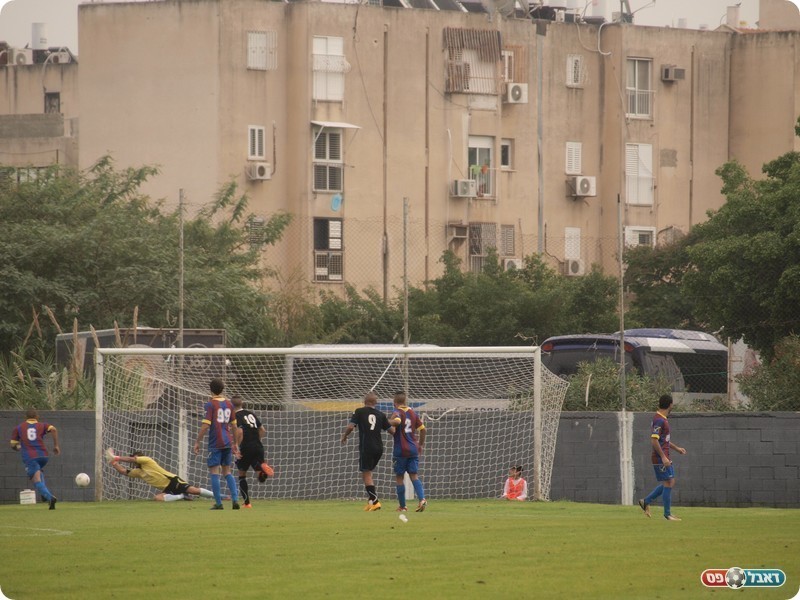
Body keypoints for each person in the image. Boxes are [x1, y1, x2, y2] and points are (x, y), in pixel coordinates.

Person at [341, 391, 395, 511]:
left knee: (366, 473)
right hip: (379, 448)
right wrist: (398, 423)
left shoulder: (359, 411)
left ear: (364, 401)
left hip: (367, 447)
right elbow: (392, 431)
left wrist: (345, 436)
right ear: (375, 402)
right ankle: (371, 502)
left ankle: (375, 501)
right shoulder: (381, 414)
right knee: (368, 473)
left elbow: (350, 426)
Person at [193, 378, 240, 510]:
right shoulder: (229, 404)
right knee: (227, 471)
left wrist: (197, 442)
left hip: (215, 442)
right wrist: (236, 443)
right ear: (222, 389)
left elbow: (205, 426)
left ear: (211, 390)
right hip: (228, 442)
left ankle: (219, 503)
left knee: (214, 472)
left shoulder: (210, 405)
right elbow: (234, 426)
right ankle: (235, 500)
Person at [639, 394, 687, 521]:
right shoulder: (659, 420)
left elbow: (663, 440)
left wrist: (677, 448)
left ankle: (646, 501)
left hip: (663, 456)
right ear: (670, 405)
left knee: (670, 482)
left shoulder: (661, 419)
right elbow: (654, 440)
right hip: (660, 457)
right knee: (669, 482)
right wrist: (663, 457)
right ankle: (667, 514)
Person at [106, 450, 217, 502]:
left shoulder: (147, 460)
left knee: (194, 491)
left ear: (139, 458)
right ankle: (182, 496)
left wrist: (117, 457)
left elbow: (131, 459)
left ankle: (219, 496)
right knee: (157, 498)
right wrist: (114, 463)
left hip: (172, 481)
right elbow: (123, 471)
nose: (134, 460)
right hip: (167, 488)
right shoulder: (138, 471)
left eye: (135, 458)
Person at [10, 409, 60, 509]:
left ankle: (50, 498)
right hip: (44, 456)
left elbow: (13, 444)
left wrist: (17, 447)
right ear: (37, 417)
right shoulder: (42, 425)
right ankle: (44, 494)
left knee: (36, 479)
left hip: (30, 457)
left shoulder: (19, 428)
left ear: (25, 417)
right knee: (39, 472)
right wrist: (56, 446)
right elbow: (54, 429)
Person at [232, 395, 274, 509]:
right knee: (258, 470)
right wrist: (256, 440)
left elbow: (240, 432)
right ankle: (261, 469)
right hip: (258, 446)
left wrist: (236, 446)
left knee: (242, 475)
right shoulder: (251, 414)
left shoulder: (235, 416)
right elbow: (262, 430)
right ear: (242, 403)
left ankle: (247, 503)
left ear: (231, 406)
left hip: (246, 447)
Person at [389, 391, 428, 512]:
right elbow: (423, 430)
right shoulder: (413, 413)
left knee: (399, 477)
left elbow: (397, 422)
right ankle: (422, 499)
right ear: (405, 401)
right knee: (414, 475)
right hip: (413, 449)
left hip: (400, 450)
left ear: (395, 402)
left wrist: (385, 421)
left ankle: (403, 506)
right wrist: (420, 445)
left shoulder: (396, 412)